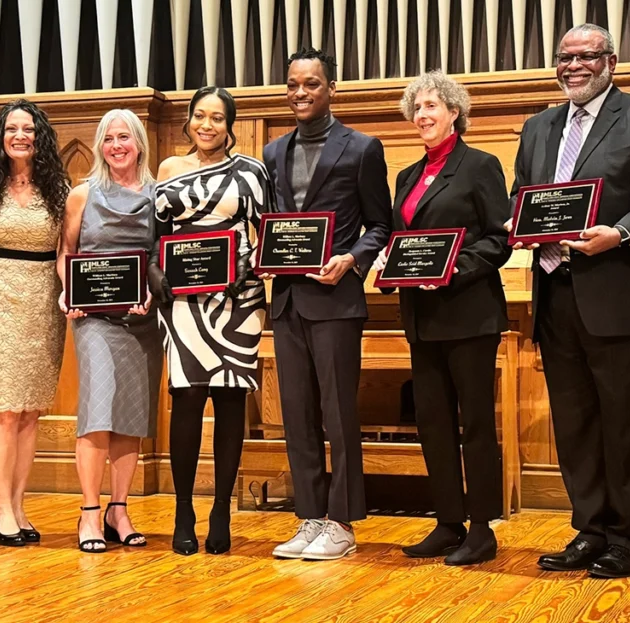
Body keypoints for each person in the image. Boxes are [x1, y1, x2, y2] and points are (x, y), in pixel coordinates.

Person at [508, 23, 630, 578]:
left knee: (624, 424)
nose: (574, 66)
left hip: (615, 291)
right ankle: (589, 531)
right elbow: (524, 194)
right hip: (555, 291)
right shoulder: (538, 125)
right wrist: (520, 222)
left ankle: (629, 541)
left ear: (610, 61)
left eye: (586, 56)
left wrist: (622, 232)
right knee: (575, 424)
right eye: (565, 58)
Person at [374, 71, 511, 565]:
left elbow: (499, 240)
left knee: (474, 422)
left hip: (469, 315)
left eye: (433, 105)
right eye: (417, 108)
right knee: (431, 422)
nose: (423, 115)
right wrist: (390, 267)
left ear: (454, 112)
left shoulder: (480, 166)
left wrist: (452, 269)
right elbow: (401, 242)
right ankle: (448, 522)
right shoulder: (406, 176)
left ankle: (482, 528)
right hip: (422, 317)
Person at [261, 48, 392, 560]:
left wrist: (351, 258)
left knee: (338, 415)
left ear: (331, 88)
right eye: (293, 84)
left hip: (336, 298)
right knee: (297, 414)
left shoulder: (361, 148)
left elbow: (380, 224)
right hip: (288, 299)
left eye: (311, 84)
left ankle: (342, 523)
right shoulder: (273, 152)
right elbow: (277, 225)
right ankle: (309, 517)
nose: (300, 93)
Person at [153, 86, 271, 556]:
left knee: (229, 403)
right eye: (199, 116)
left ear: (230, 125)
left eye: (217, 118)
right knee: (186, 402)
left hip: (239, 298)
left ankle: (221, 509)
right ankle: (184, 510)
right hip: (183, 303)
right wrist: (156, 272)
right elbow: (155, 233)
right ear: (188, 120)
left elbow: (268, 230)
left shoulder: (253, 171)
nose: (207, 125)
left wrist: (247, 265)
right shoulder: (168, 170)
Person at [58, 109, 162, 553]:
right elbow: (66, 251)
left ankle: (119, 509)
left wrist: (154, 295)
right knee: (98, 410)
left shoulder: (161, 196)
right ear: (100, 146)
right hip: (94, 320)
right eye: (108, 138)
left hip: (142, 319)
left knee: (131, 417)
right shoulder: (82, 194)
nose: (116, 145)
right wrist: (68, 292)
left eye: (124, 137)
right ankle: (88, 512)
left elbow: (162, 256)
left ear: (139, 142)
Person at [0, 99, 70, 546]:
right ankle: (2, 506)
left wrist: (70, 291)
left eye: (29, 128)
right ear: (0, 137)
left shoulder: (58, 188)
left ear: (40, 136)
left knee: (30, 412)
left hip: (44, 301)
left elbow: (67, 250)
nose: (20, 136)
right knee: (5, 410)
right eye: (12, 129)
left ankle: (19, 502)